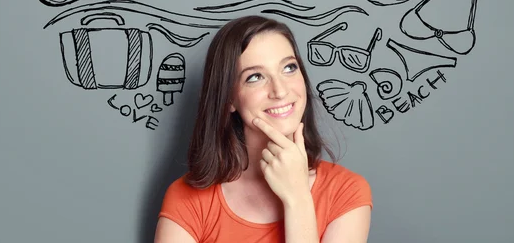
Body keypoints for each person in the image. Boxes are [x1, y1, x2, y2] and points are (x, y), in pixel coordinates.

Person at [154, 15, 372, 242]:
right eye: (255, 77)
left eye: (289, 68)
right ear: (229, 98)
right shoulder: (187, 198)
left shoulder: (346, 191)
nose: (279, 90)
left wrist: (297, 199)